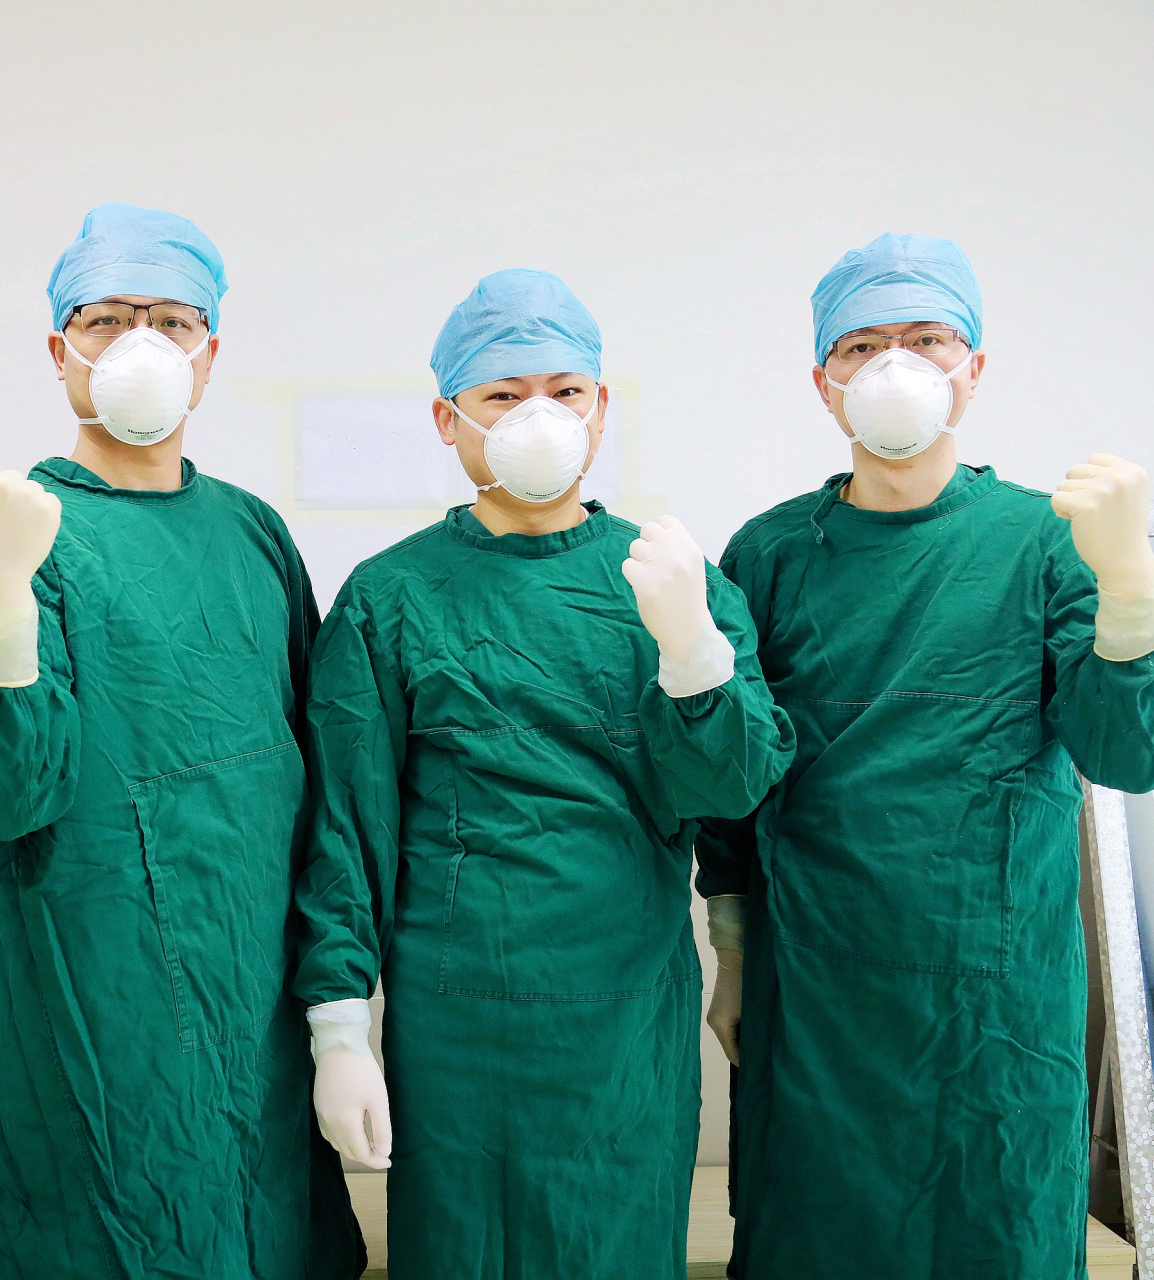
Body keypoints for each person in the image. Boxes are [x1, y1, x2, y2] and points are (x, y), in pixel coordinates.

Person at [699, 232, 1154, 1278]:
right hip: (818, 997)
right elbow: (735, 779)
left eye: (927, 339)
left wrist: (1131, 588)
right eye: (862, 345)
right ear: (824, 382)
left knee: (995, 1236)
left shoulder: (1048, 540)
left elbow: (1136, 750)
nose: (896, 366)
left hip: (995, 1012)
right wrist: (733, 944)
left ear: (973, 368)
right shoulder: (770, 553)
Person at [290, 269, 795, 1279]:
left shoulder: (671, 577)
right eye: (503, 394)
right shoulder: (391, 597)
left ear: (600, 409)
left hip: (625, 1016)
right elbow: (345, 829)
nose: (539, 417)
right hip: (459, 1022)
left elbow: (734, 791)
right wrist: (338, 1026)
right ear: (448, 419)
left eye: (566, 391)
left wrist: (693, 650)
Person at [0, 203, 364, 1280]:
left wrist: (339, 1017)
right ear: (59, 349)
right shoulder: (10, 537)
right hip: (88, 1022)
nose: (141, 344)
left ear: (210, 353)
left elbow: (312, 781)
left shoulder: (251, 531)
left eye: (172, 320)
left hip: (254, 1011)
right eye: (108, 319)